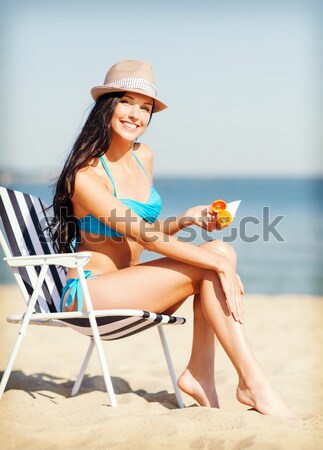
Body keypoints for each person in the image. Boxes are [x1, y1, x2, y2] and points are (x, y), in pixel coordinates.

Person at [50, 60, 294, 418]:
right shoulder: (85, 175)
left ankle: (202, 375)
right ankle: (252, 384)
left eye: (145, 107)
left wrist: (185, 221)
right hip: (91, 294)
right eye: (127, 102)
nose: (136, 114)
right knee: (214, 262)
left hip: (130, 286)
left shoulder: (143, 156)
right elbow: (144, 237)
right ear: (107, 107)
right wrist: (218, 265)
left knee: (219, 249)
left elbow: (139, 227)